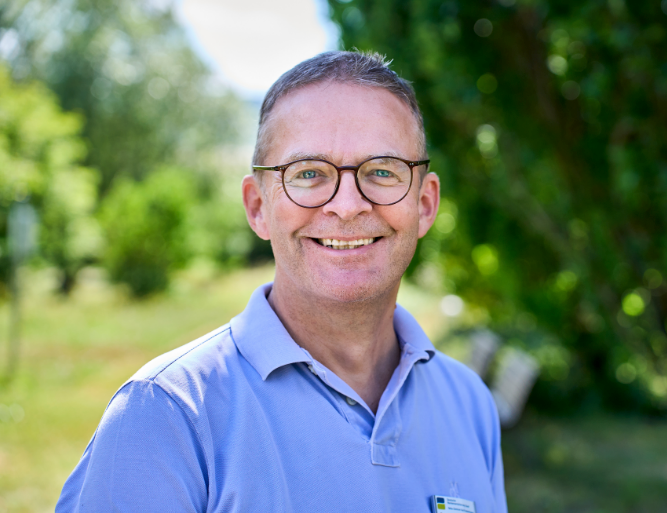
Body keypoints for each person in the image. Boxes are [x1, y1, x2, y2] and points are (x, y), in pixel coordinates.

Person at [56, 51, 507, 513]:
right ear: (258, 207)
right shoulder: (166, 415)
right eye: (308, 173)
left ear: (425, 205)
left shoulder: (469, 404)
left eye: (381, 171)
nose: (347, 206)